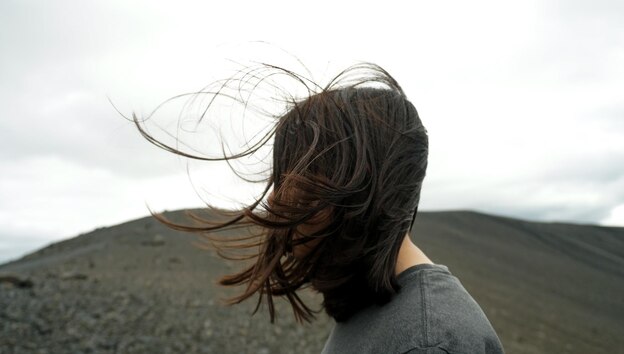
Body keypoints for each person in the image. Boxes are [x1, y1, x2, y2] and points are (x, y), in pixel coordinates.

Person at [132, 62, 505, 353]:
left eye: (297, 181)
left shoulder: (430, 340)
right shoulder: (377, 311)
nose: (277, 203)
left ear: (360, 188)